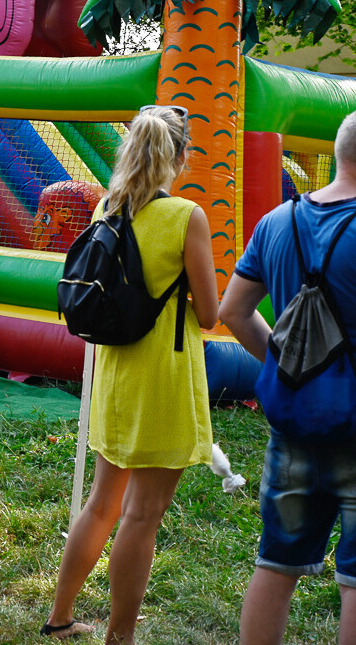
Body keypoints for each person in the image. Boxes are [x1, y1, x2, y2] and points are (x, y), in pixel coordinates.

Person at [42, 105, 218, 643]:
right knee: (142, 516)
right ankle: (119, 636)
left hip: (115, 374)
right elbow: (210, 314)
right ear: (180, 156)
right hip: (162, 376)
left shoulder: (107, 206)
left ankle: (60, 616)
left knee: (102, 504)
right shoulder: (186, 216)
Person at [219, 111, 356, 645]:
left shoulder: (277, 221)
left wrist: (284, 364)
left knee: (276, 565)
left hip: (294, 428)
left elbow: (233, 311)